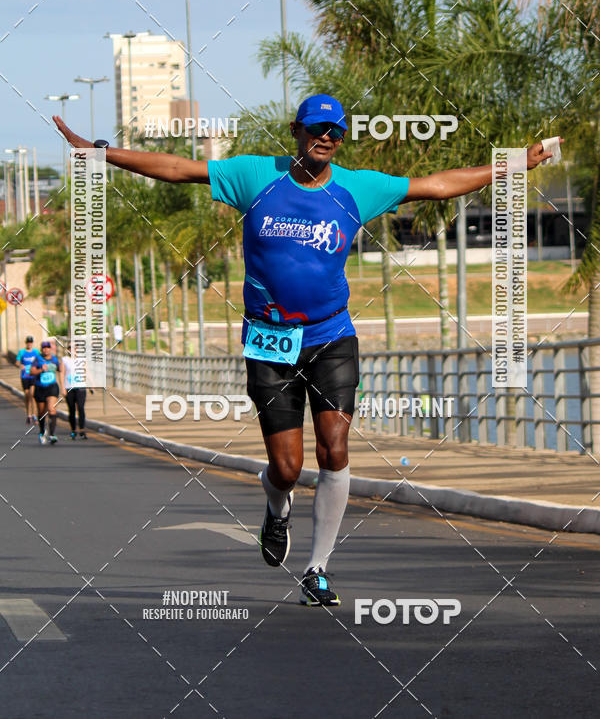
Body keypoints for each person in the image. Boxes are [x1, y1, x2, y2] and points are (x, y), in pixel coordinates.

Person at [53, 97, 556, 606]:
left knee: (334, 447)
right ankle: (276, 505)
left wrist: (514, 163)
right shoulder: (255, 176)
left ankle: (317, 569)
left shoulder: (358, 187)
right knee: (288, 468)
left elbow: (436, 185)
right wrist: (101, 153)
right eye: (318, 128)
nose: (328, 138)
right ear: (296, 130)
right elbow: (179, 169)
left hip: (332, 337)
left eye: (336, 131)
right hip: (269, 342)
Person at [30, 341, 63, 445]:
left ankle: (52, 434)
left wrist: (60, 365)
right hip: (40, 388)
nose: (46, 349)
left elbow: (60, 369)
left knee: (51, 409)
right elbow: (32, 371)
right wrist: (41, 369)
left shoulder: (54, 359)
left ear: (50, 349)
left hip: (52, 387)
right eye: (44, 348)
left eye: (48, 348)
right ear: (41, 349)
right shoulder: (37, 359)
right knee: (41, 412)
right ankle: (42, 431)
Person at [60, 347, 93, 439]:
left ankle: (82, 429)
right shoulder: (65, 360)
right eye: (70, 348)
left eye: (74, 348)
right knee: (71, 409)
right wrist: (62, 387)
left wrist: (91, 384)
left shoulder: (82, 359)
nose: (72, 350)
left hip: (80, 386)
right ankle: (73, 430)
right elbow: (62, 373)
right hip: (69, 387)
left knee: (81, 408)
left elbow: (86, 371)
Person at [16, 335, 40, 425]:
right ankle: (28, 415)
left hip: (33, 376)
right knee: (27, 395)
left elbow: (39, 360)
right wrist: (20, 365)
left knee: (32, 394)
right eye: (28, 342)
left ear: (32, 343)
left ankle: (34, 415)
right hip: (25, 376)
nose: (29, 344)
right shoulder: (22, 352)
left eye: (31, 342)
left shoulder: (36, 352)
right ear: (26, 343)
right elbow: (17, 361)